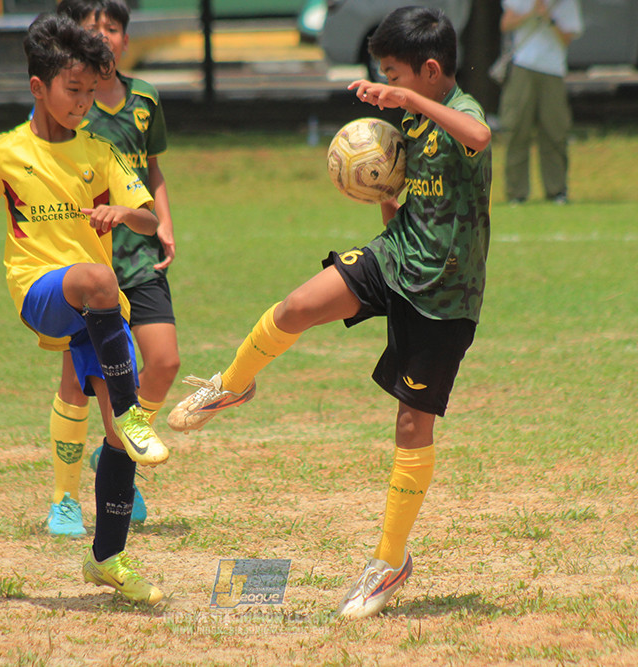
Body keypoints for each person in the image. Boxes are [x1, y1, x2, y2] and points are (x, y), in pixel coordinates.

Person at [167, 6, 492, 619]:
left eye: (394, 74)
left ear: (428, 71)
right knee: (296, 306)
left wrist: (406, 99)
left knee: (410, 427)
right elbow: (414, 212)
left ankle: (390, 562)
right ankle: (232, 386)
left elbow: (479, 137)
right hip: (397, 259)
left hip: (444, 296)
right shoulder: (412, 124)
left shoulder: (460, 114)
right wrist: (385, 200)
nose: (387, 87)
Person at [0, 13, 168, 604]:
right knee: (98, 279)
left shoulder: (99, 151)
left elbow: (148, 217)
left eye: (92, 93)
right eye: (74, 91)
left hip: (96, 307)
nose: (84, 103)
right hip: (43, 292)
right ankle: (132, 415)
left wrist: (126, 215)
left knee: (117, 441)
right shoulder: (4, 152)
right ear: (38, 87)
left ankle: (108, 558)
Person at [41, 0, 180, 537]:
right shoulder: (68, 104)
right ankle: (64, 500)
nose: (102, 35)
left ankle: (114, 450)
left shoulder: (144, 99)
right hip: (84, 262)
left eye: (113, 27)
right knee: (79, 381)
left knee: (163, 362)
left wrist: (161, 221)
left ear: (125, 38)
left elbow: (152, 168)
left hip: (138, 255)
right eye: (91, 26)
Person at [498, 0, 582, 204]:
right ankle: (516, 193)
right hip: (523, 66)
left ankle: (557, 190)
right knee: (517, 128)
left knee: (555, 130)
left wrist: (549, 18)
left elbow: (567, 38)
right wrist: (531, 13)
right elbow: (506, 23)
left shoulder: (566, 4)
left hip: (552, 70)